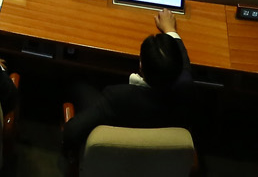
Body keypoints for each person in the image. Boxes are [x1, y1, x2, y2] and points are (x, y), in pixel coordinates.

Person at [61, 15, 204, 158]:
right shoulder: (187, 89)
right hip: (161, 164)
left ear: (141, 66)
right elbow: (184, 65)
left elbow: (71, 133)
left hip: (115, 160)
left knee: (78, 83)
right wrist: (170, 30)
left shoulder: (118, 97)